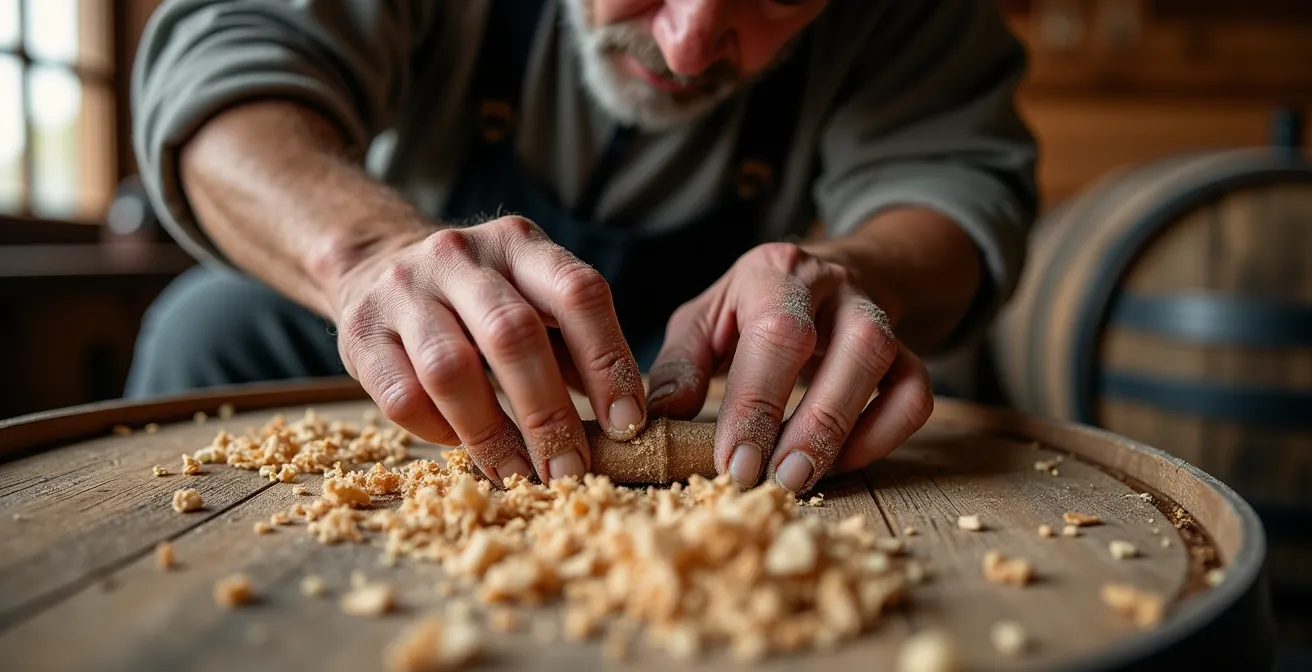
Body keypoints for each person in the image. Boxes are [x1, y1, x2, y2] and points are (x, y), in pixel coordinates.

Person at [126, 0, 1037, 494]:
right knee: (209, 327)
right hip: (434, 352)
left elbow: (956, 188)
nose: (687, 46)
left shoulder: (910, 19)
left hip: (731, 375)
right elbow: (224, 66)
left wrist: (856, 275)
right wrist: (363, 249)